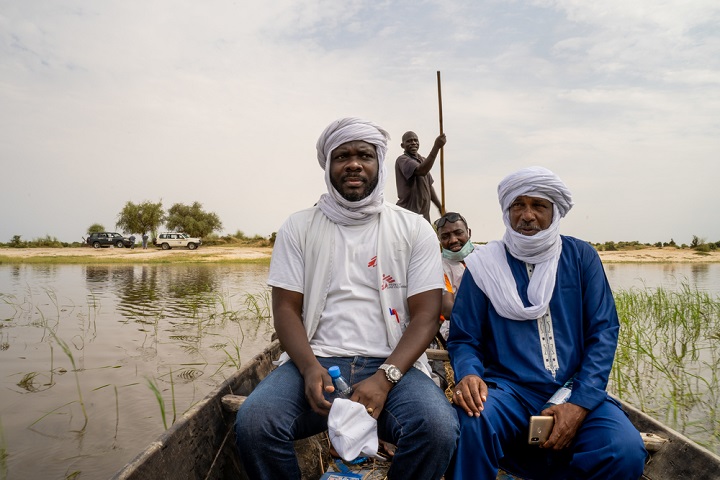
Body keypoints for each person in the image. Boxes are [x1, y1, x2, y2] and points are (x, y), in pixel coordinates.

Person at [234, 117, 459, 480]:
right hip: (315, 361)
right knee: (256, 424)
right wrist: (308, 367)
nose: (353, 163)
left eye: (364, 155)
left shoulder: (413, 228)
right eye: (342, 156)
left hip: (393, 364)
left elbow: (427, 315)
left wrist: (385, 378)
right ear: (328, 166)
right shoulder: (299, 226)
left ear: (379, 164)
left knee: (437, 430)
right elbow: (286, 309)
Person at [446, 167, 646, 479]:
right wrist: (469, 374)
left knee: (623, 449)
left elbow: (603, 333)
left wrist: (578, 404)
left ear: (554, 212)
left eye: (538, 206)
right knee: (473, 420)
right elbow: (463, 339)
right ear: (507, 211)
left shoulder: (580, 257)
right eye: (518, 205)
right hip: (509, 390)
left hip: (574, 386)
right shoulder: (484, 267)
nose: (527, 216)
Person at [433, 211, 473, 341]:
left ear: (469, 233)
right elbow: (448, 309)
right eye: (445, 236)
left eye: (458, 233)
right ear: (439, 240)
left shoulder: (484, 255)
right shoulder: (439, 266)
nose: (453, 240)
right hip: (458, 329)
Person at [395, 131, 445, 222]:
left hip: (423, 216)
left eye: (415, 140)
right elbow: (422, 170)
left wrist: (440, 207)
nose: (413, 143)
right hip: (407, 216)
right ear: (402, 145)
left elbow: (429, 186)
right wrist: (436, 147)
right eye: (409, 141)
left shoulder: (423, 160)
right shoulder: (402, 160)